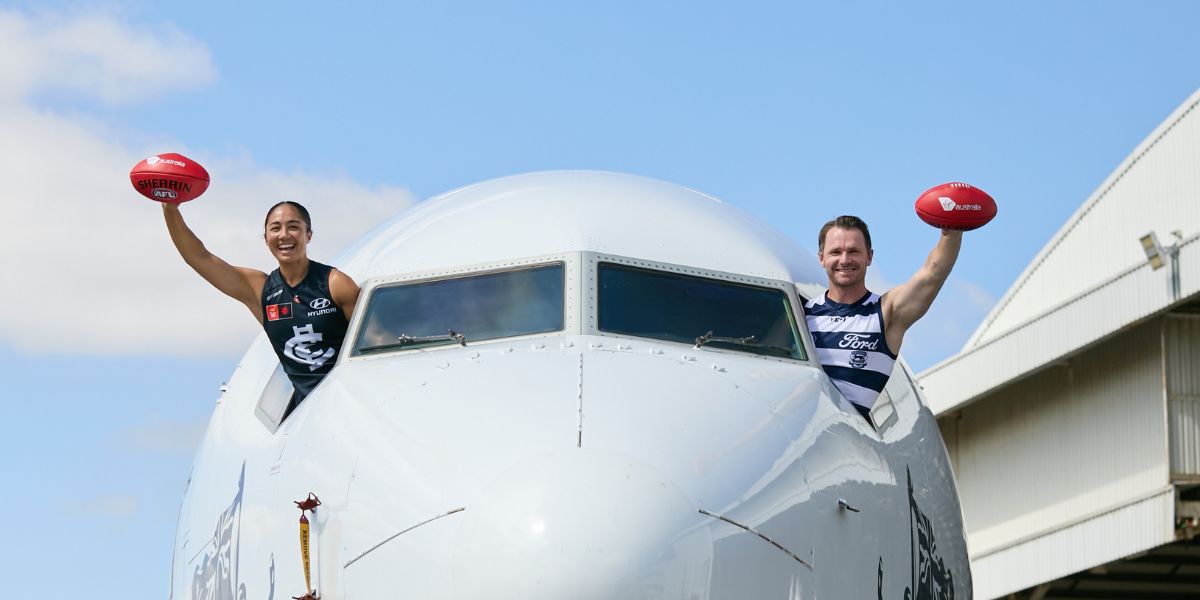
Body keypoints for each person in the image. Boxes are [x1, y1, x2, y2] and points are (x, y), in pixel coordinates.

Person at [163, 201, 360, 413]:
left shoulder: (335, 283)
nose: (284, 235)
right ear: (266, 238)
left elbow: (373, 343)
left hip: (350, 403)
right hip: (307, 413)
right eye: (275, 228)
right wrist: (170, 209)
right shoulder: (261, 290)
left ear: (308, 235)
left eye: (293, 227)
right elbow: (199, 258)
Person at [803, 215, 961, 421]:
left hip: (845, 433)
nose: (844, 260)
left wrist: (952, 231)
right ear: (821, 258)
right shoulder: (802, 313)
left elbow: (932, 274)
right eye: (836, 252)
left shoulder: (885, 312)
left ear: (869, 256)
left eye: (853, 251)